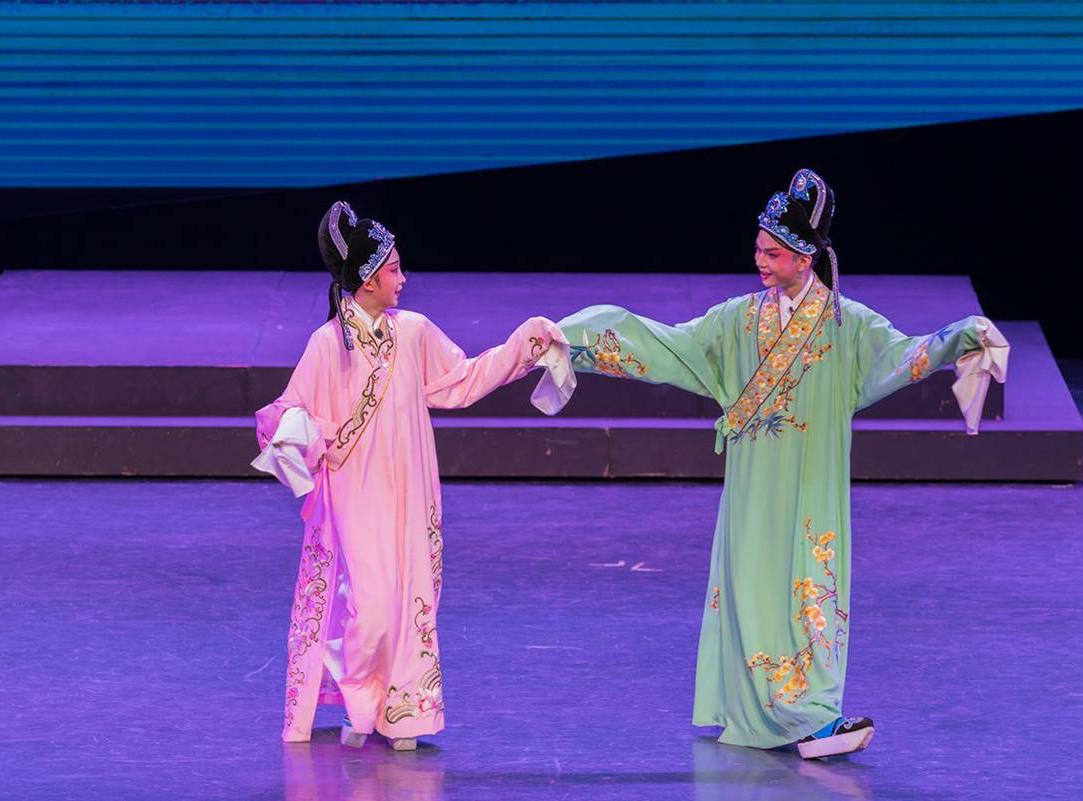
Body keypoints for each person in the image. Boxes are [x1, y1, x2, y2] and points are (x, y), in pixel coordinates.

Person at [558, 169, 1008, 758]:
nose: (760, 261)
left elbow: (903, 355)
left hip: (813, 476)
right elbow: (672, 346)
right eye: (758, 249)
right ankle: (758, 711)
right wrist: (577, 338)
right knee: (753, 586)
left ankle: (812, 714)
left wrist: (958, 338)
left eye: (772, 253)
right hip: (754, 480)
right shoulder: (739, 319)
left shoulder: (848, 323)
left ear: (805, 258)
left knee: (809, 584)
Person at [253, 201, 574, 749]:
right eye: (395, 269)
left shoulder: (415, 331)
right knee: (374, 606)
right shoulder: (328, 344)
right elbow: (286, 412)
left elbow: (462, 380)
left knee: (412, 599)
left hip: (411, 484)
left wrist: (525, 344)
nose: (403, 279)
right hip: (356, 492)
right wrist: (310, 432)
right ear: (368, 279)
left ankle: (404, 713)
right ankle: (360, 698)